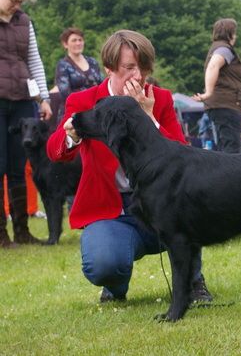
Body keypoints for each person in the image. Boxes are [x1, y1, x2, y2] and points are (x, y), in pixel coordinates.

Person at [47, 30, 212, 303]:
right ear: (110, 68)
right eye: (130, 68)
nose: (139, 76)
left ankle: (193, 280)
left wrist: (148, 118)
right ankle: (115, 282)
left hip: (159, 203)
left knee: (187, 204)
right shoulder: (84, 101)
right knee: (103, 263)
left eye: (144, 68)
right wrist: (71, 135)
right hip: (112, 209)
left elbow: (185, 157)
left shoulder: (159, 98)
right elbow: (55, 152)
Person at [0, 0, 52, 248]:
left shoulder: (24, 21)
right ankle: (1, 235)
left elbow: (34, 60)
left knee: (18, 167)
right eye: (14, 0)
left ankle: (22, 231)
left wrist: (43, 98)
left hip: (22, 100)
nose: (17, 6)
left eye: (21, 1)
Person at [193, 18, 241, 153]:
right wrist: (208, 92)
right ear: (230, 34)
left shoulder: (217, 48)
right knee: (231, 149)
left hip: (220, 105)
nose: (235, 36)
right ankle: (233, 175)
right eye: (234, 33)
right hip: (227, 104)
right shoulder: (224, 49)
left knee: (224, 147)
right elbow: (213, 66)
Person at [55, 27, 103, 122]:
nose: (78, 43)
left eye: (80, 40)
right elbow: (65, 93)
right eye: (74, 40)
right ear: (65, 44)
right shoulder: (63, 65)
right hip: (73, 114)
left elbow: (102, 85)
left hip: (96, 111)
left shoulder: (93, 62)